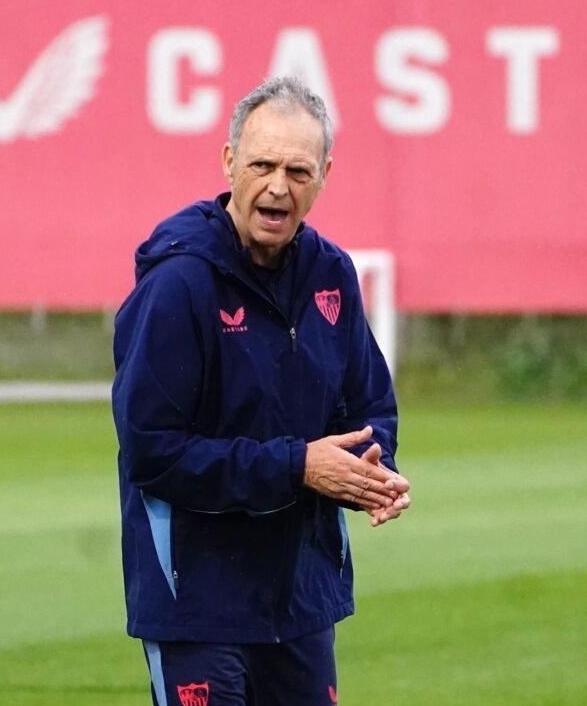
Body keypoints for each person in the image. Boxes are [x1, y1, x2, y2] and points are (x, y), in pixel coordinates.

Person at [112, 76, 410, 706]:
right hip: (197, 602)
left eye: (298, 171)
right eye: (262, 165)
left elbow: (370, 405)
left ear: (325, 175)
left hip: (300, 600)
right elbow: (152, 451)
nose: (278, 187)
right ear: (229, 162)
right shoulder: (178, 284)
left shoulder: (332, 274)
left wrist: (369, 469)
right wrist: (299, 466)